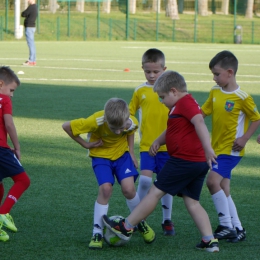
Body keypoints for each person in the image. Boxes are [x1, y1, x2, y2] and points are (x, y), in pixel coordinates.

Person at [103, 71, 219, 253]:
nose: (161, 101)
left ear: (174, 91)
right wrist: (158, 140)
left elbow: (199, 123)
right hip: (197, 163)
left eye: (162, 97)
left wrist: (208, 148)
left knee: (154, 193)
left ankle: (126, 226)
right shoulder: (180, 106)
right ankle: (209, 240)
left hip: (183, 160)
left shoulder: (185, 103)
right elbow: (174, 129)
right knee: (193, 202)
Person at [62, 98, 155, 250]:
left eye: (121, 128)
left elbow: (130, 131)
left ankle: (140, 223)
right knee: (105, 189)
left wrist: (131, 151)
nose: (118, 132)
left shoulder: (130, 121)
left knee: (129, 189)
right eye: (113, 128)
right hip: (100, 156)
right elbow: (66, 126)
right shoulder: (95, 120)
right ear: (106, 119)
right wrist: (86, 144)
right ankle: (97, 232)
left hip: (122, 156)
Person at [201, 50, 260, 242]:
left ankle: (225, 224)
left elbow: (256, 118)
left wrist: (245, 139)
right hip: (217, 149)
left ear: (230, 72)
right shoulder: (214, 92)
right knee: (224, 187)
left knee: (212, 182)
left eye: (217, 74)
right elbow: (203, 112)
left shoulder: (242, 96)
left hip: (232, 151)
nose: (214, 78)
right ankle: (238, 228)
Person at [129, 48, 175, 236]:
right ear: (142, 69)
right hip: (147, 146)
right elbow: (130, 114)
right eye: (148, 71)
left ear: (164, 69)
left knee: (166, 183)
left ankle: (167, 219)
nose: (152, 75)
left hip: (168, 146)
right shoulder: (140, 90)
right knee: (146, 180)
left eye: (156, 71)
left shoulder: (171, 92)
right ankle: (139, 217)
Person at [0, 66, 31, 242]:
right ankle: (3, 213)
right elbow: (9, 124)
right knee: (23, 180)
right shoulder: (4, 100)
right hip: (1, 149)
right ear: (1, 84)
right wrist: (16, 147)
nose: (11, 94)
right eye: (11, 90)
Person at [21, 0, 38, 66]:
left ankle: (31, 60)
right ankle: (33, 60)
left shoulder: (31, 7)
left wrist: (23, 13)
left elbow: (23, 14)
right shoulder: (35, 7)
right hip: (32, 27)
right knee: (32, 44)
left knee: (31, 44)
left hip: (29, 27)